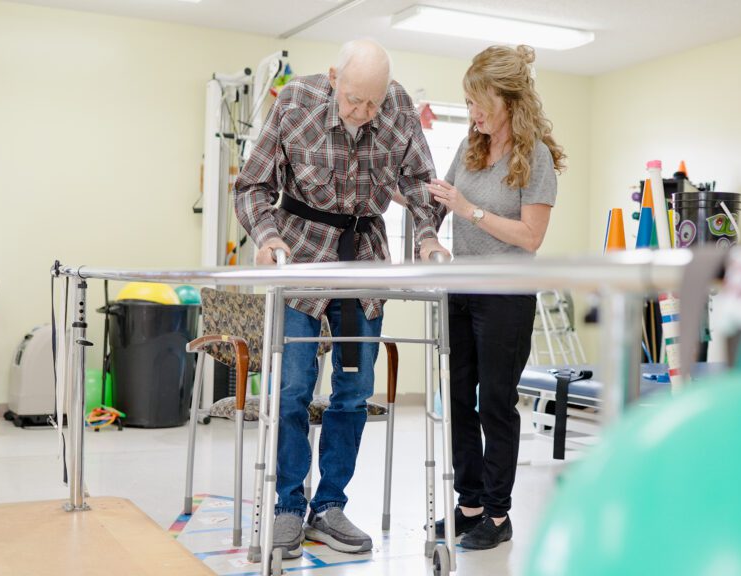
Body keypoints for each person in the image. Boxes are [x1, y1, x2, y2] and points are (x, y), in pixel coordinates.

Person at [235, 39, 449, 559]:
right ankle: (288, 507)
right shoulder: (294, 102)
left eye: (374, 103)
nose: (364, 112)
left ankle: (329, 507)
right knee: (291, 389)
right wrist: (267, 238)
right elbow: (251, 186)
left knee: (353, 392)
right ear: (333, 78)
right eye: (355, 100)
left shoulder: (396, 109)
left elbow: (422, 185)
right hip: (301, 252)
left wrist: (425, 236)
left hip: (363, 255)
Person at [428, 44, 565, 550]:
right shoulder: (469, 150)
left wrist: (470, 212)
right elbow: (440, 201)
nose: (473, 113)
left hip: (505, 296)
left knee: (496, 404)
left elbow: (531, 236)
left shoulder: (537, 158)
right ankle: (470, 506)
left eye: (479, 102)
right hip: (460, 291)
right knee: (460, 400)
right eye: (467, 103)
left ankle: (500, 516)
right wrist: (418, 214)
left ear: (509, 100)